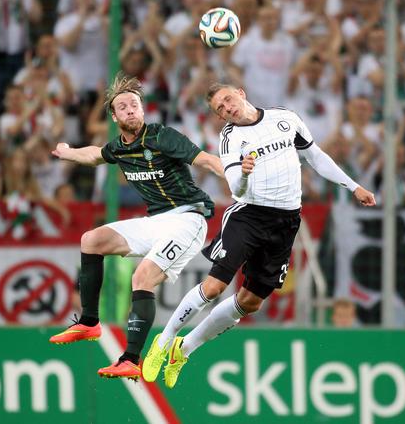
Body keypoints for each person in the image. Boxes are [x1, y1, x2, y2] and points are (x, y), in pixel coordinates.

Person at [143, 83, 376, 388]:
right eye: (220, 109)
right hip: (249, 215)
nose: (227, 108)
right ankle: (166, 338)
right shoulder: (230, 139)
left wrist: (353, 186)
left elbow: (316, 157)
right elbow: (236, 188)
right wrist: (245, 173)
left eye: (227, 100)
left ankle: (183, 350)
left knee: (250, 303)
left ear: (240, 92)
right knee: (214, 287)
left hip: (287, 220)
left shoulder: (285, 119)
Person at [48, 74, 223, 380]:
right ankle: (89, 322)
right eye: (123, 106)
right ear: (114, 117)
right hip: (156, 221)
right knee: (91, 240)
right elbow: (95, 155)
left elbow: (205, 159)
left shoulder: (162, 137)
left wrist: (233, 173)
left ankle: (131, 358)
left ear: (143, 111)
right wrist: (67, 152)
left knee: (142, 276)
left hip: (188, 219)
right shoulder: (119, 147)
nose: (130, 109)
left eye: (135, 105)